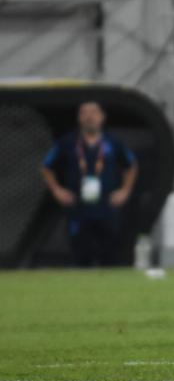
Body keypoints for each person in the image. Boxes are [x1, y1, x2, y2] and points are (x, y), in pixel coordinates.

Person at [40, 101, 138, 267]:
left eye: (93, 112)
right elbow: (46, 166)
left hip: (107, 206)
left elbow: (131, 165)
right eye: (84, 113)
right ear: (79, 118)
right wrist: (57, 190)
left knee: (111, 257)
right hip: (78, 207)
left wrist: (125, 190)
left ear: (102, 117)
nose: (89, 117)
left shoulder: (113, 142)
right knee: (80, 256)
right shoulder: (68, 142)